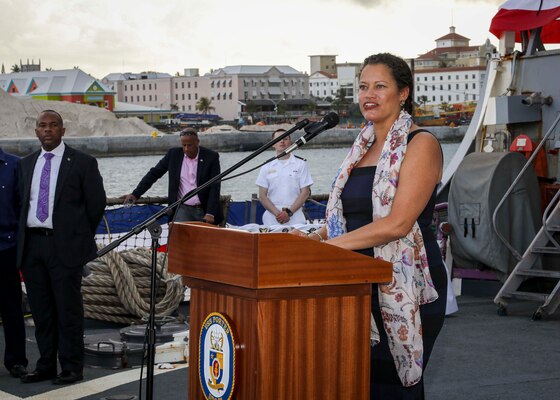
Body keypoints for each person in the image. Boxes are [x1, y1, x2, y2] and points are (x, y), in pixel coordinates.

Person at [302, 53, 447, 399]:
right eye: (363, 86)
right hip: (352, 282)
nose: (369, 94)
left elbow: (397, 224)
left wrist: (322, 249)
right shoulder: (360, 148)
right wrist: (312, 236)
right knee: (354, 383)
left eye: (380, 86)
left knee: (391, 387)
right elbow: (350, 218)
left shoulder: (420, 144)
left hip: (401, 282)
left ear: (403, 93)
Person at [17, 110, 106, 385]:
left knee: (67, 310)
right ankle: (45, 365)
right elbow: (22, 204)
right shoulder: (26, 164)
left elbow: (96, 205)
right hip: (32, 247)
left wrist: (76, 236)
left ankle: (71, 367)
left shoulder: (82, 163)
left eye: (53, 125)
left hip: (64, 247)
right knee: (42, 311)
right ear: (36, 132)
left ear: (63, 130)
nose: (47, 130)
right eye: (42, 126)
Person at [123, 128, 223, 224]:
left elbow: (215, 186)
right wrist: (135, 194)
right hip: (182, 209)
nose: (186, 149)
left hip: (205, 210)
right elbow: (154, 174)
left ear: (197, 142)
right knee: (179, 239)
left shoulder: (211, 157)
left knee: (205, 241)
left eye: (190, 145)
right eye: (184, 145)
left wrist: (210, 213)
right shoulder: (173, 155)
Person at [0, 147, 28, 378]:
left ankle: (16, 360)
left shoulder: (16, 165)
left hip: (6, 247)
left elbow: (24, 206)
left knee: (12, 307)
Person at [255, 129, 313, 226]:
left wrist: (289, 213)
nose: (282, 141)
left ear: (290, 143)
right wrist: (278, 214)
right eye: (278, 139)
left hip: (295, 216)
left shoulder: (301, 164)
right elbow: (262, 196)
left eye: (285, 138)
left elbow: (305, 193)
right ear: (272, 144)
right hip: (272, 217)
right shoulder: (266, 166)